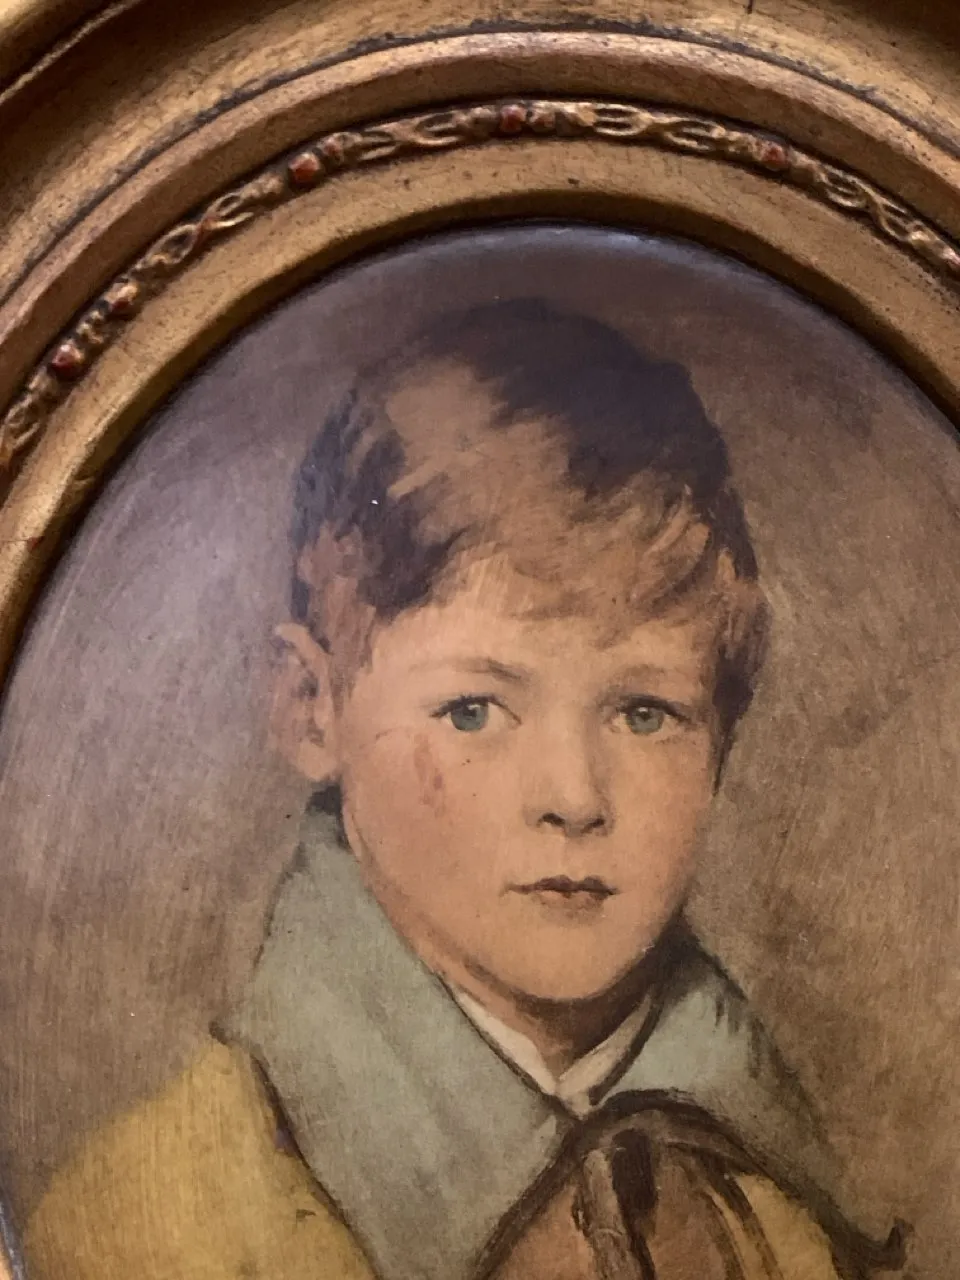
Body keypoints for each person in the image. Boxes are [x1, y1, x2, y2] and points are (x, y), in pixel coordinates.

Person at [23, 299, 904, 1280]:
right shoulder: (150, 1217)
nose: (574, 796)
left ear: (723, 734)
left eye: (645, 712)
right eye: (475, 711)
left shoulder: (795, 1207)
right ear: (311, 707)